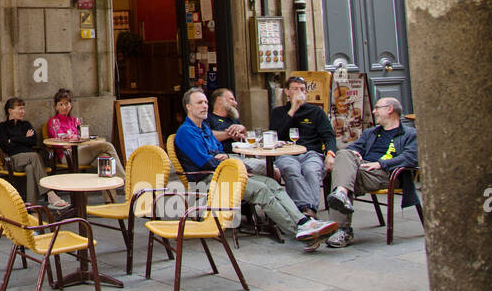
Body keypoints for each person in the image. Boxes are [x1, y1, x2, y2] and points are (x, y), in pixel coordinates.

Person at [176, 87, 338, 245]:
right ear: (188, 107)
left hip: (223, 172)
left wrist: (229, 164)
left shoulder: (204, 127)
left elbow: (219, 152)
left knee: (272, 183)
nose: (205, 106)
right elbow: (207, 162)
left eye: (205, 102)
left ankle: (303, 220)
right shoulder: (186, 132)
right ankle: (296, 230)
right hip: (208, 180)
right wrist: (235, 169)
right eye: (199, 103)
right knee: (262, 190)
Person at [322, 97, 419, 248]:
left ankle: (342, 229)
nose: (374, 111)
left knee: (342, 173)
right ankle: (341, 193)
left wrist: (381, 164)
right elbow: (353, 148)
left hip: (387, 174)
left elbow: (410, 158)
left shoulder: (409, 134)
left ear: (389, 109)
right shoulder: (371, 133)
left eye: (377, 108)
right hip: (362, 169)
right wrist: (355, 153)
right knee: (344, 154)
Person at [268, 76, 337, 215]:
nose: (299, 92)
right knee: (291, 169)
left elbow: (329, 136)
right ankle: (309, 209)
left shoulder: (316, 112)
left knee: (311, 171)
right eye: (295, 89)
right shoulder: (278, 112)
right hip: (286, 153)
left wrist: (330, 154)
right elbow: (275, 135)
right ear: (287, 92)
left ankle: (307, 210)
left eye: (302, 89)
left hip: (311, 153)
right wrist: (292, 110)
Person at [0, 97, 66, 210]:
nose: (22, 112)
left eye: (23, 109)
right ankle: (50, 194)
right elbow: (6, 147)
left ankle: (31, 208)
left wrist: (13, 139)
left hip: (29, 159)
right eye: (19, 109)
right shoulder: (2, 127)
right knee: (34, 156)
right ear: (10, 110)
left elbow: (33, 141)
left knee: (30, 168)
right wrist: (24, 138)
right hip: (14, 160)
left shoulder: (26, 124)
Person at [45, 88, 107, 170]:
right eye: (61, 104)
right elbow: (61, 141)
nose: (64, 107)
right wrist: (73, 139)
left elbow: (83, 137)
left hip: (81, 150)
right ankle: (124, 178)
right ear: (56, 107)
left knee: (105, 156)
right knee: (107, 147)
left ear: (71, 105)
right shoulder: (53, 122)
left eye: (67, 103)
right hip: (67, 156)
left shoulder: (75, 120)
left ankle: (111, 180)